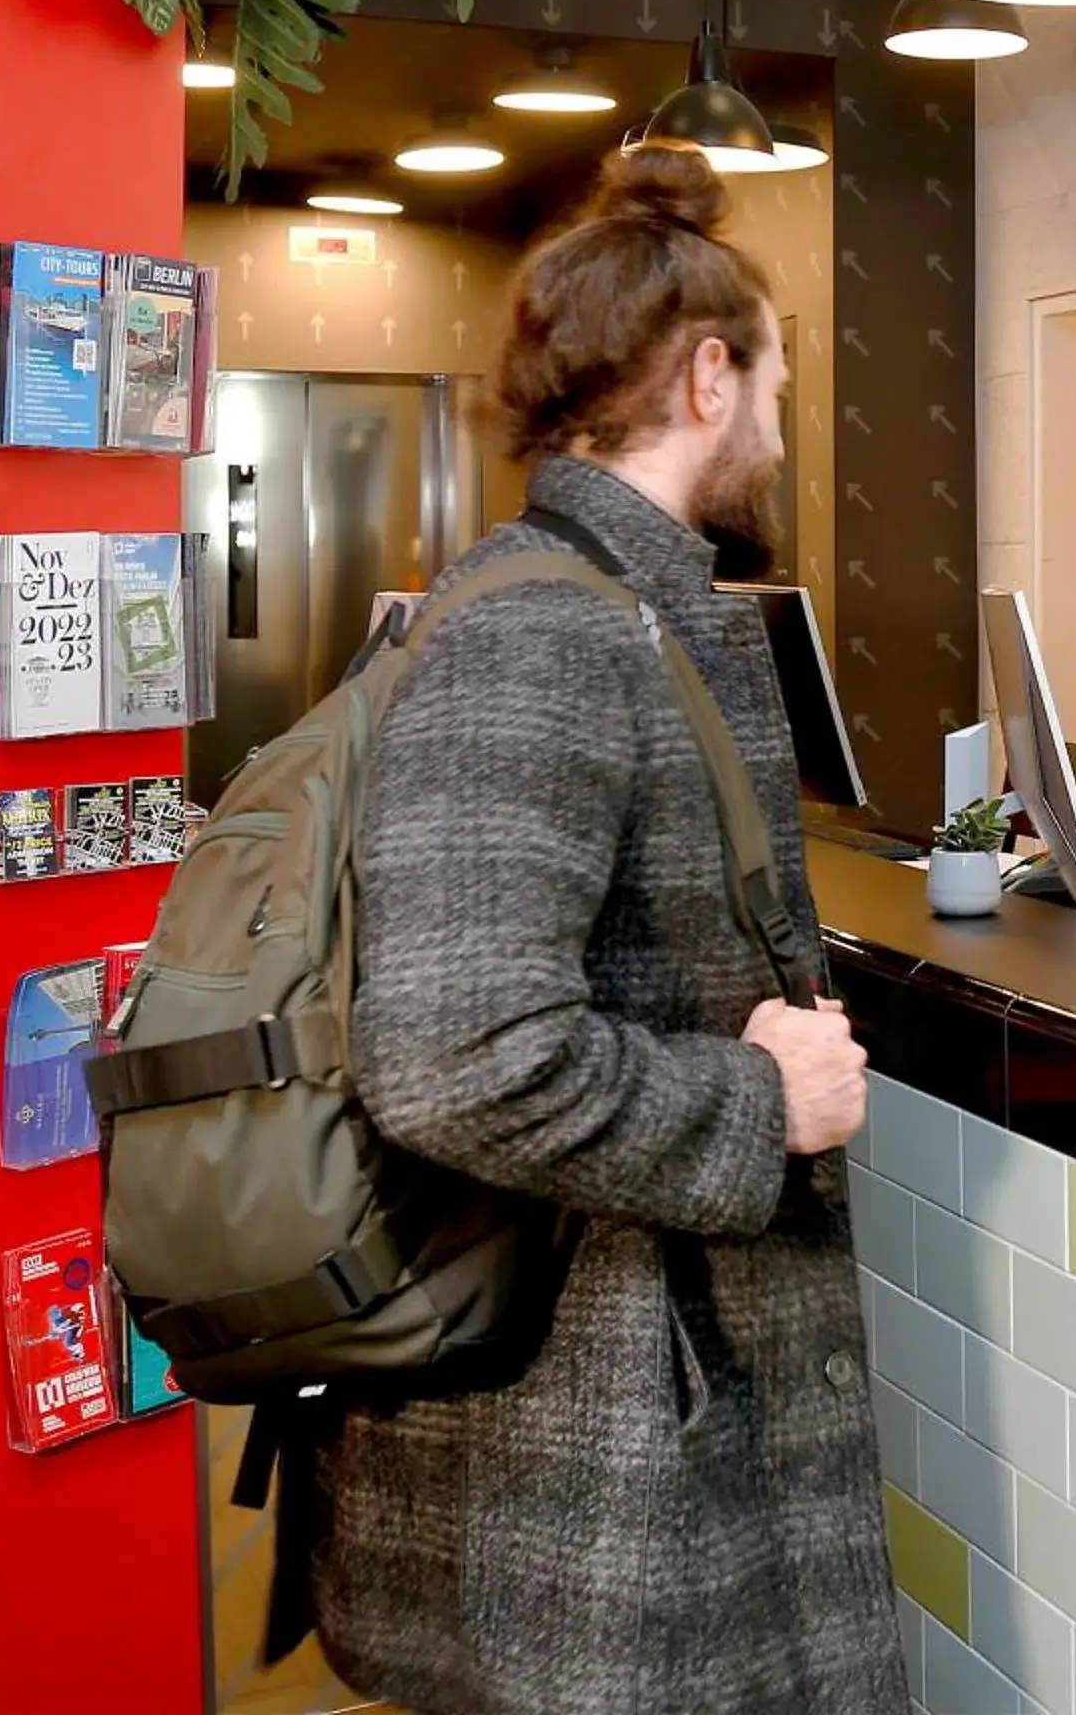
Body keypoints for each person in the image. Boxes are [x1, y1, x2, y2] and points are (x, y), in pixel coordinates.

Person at [303, 144, 899, 1715]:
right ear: (710, 376)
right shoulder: (549, 633)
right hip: (601, 1432)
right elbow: (454, 1057)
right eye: (773, 378)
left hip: (632, 1394)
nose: (780, 419)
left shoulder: (592, 601)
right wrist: (761, 1103)